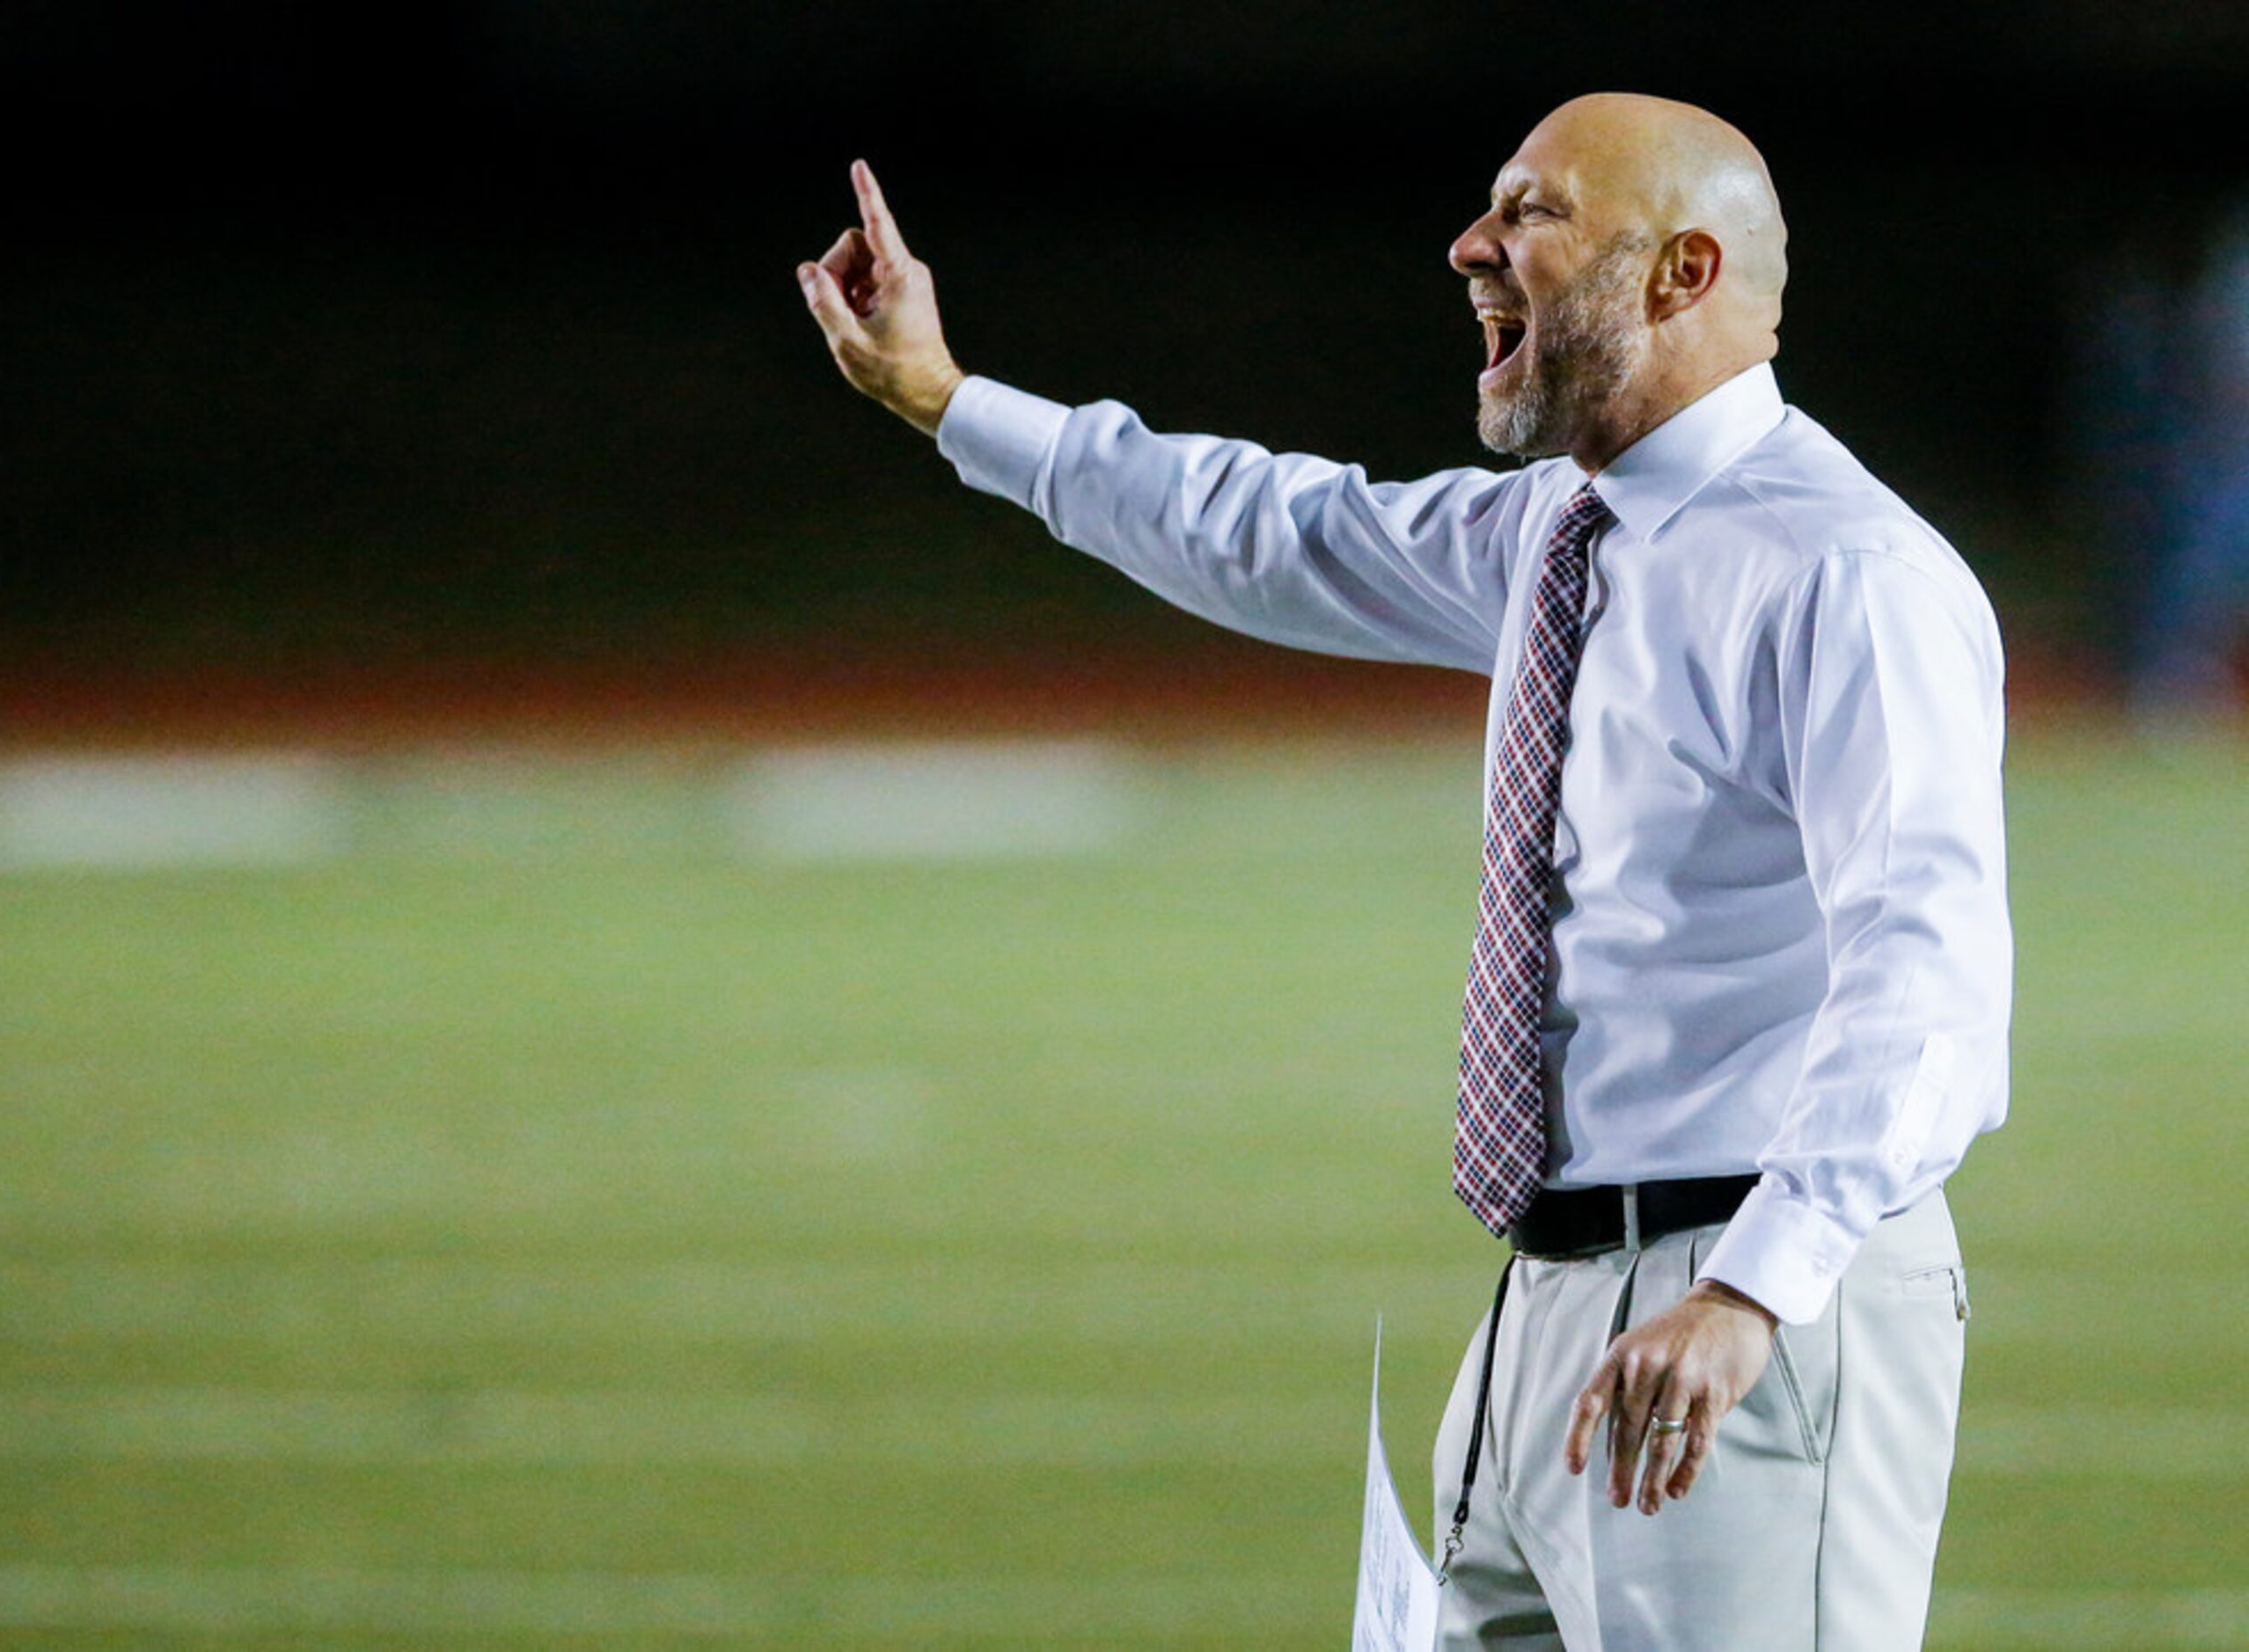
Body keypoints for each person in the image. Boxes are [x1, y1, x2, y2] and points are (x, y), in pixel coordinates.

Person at [797, 92, 2011, 1651]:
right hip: (1552, 1297)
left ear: (1681, 273)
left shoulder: (1845, 573)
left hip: (1743, 1298)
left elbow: (1931, 981)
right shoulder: (1562, 530)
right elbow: (1265, 527)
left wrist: (1753, 1292)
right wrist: (948, 400)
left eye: (1535, 212)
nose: (1472, 244)